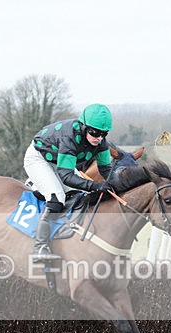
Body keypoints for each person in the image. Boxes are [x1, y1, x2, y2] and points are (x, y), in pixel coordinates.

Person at [23, 103, 116, 262]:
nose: (99, 138)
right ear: (84, 126)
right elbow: (66, 176)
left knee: (80, 195)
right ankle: (39, 248)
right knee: (57, 198)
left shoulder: (101, 143)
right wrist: (95, 185)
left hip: (59, 160)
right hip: (39, 158)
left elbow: (107, 170)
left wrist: (119, 186)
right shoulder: (70, 137)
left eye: (103, 133)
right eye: (94, 132)